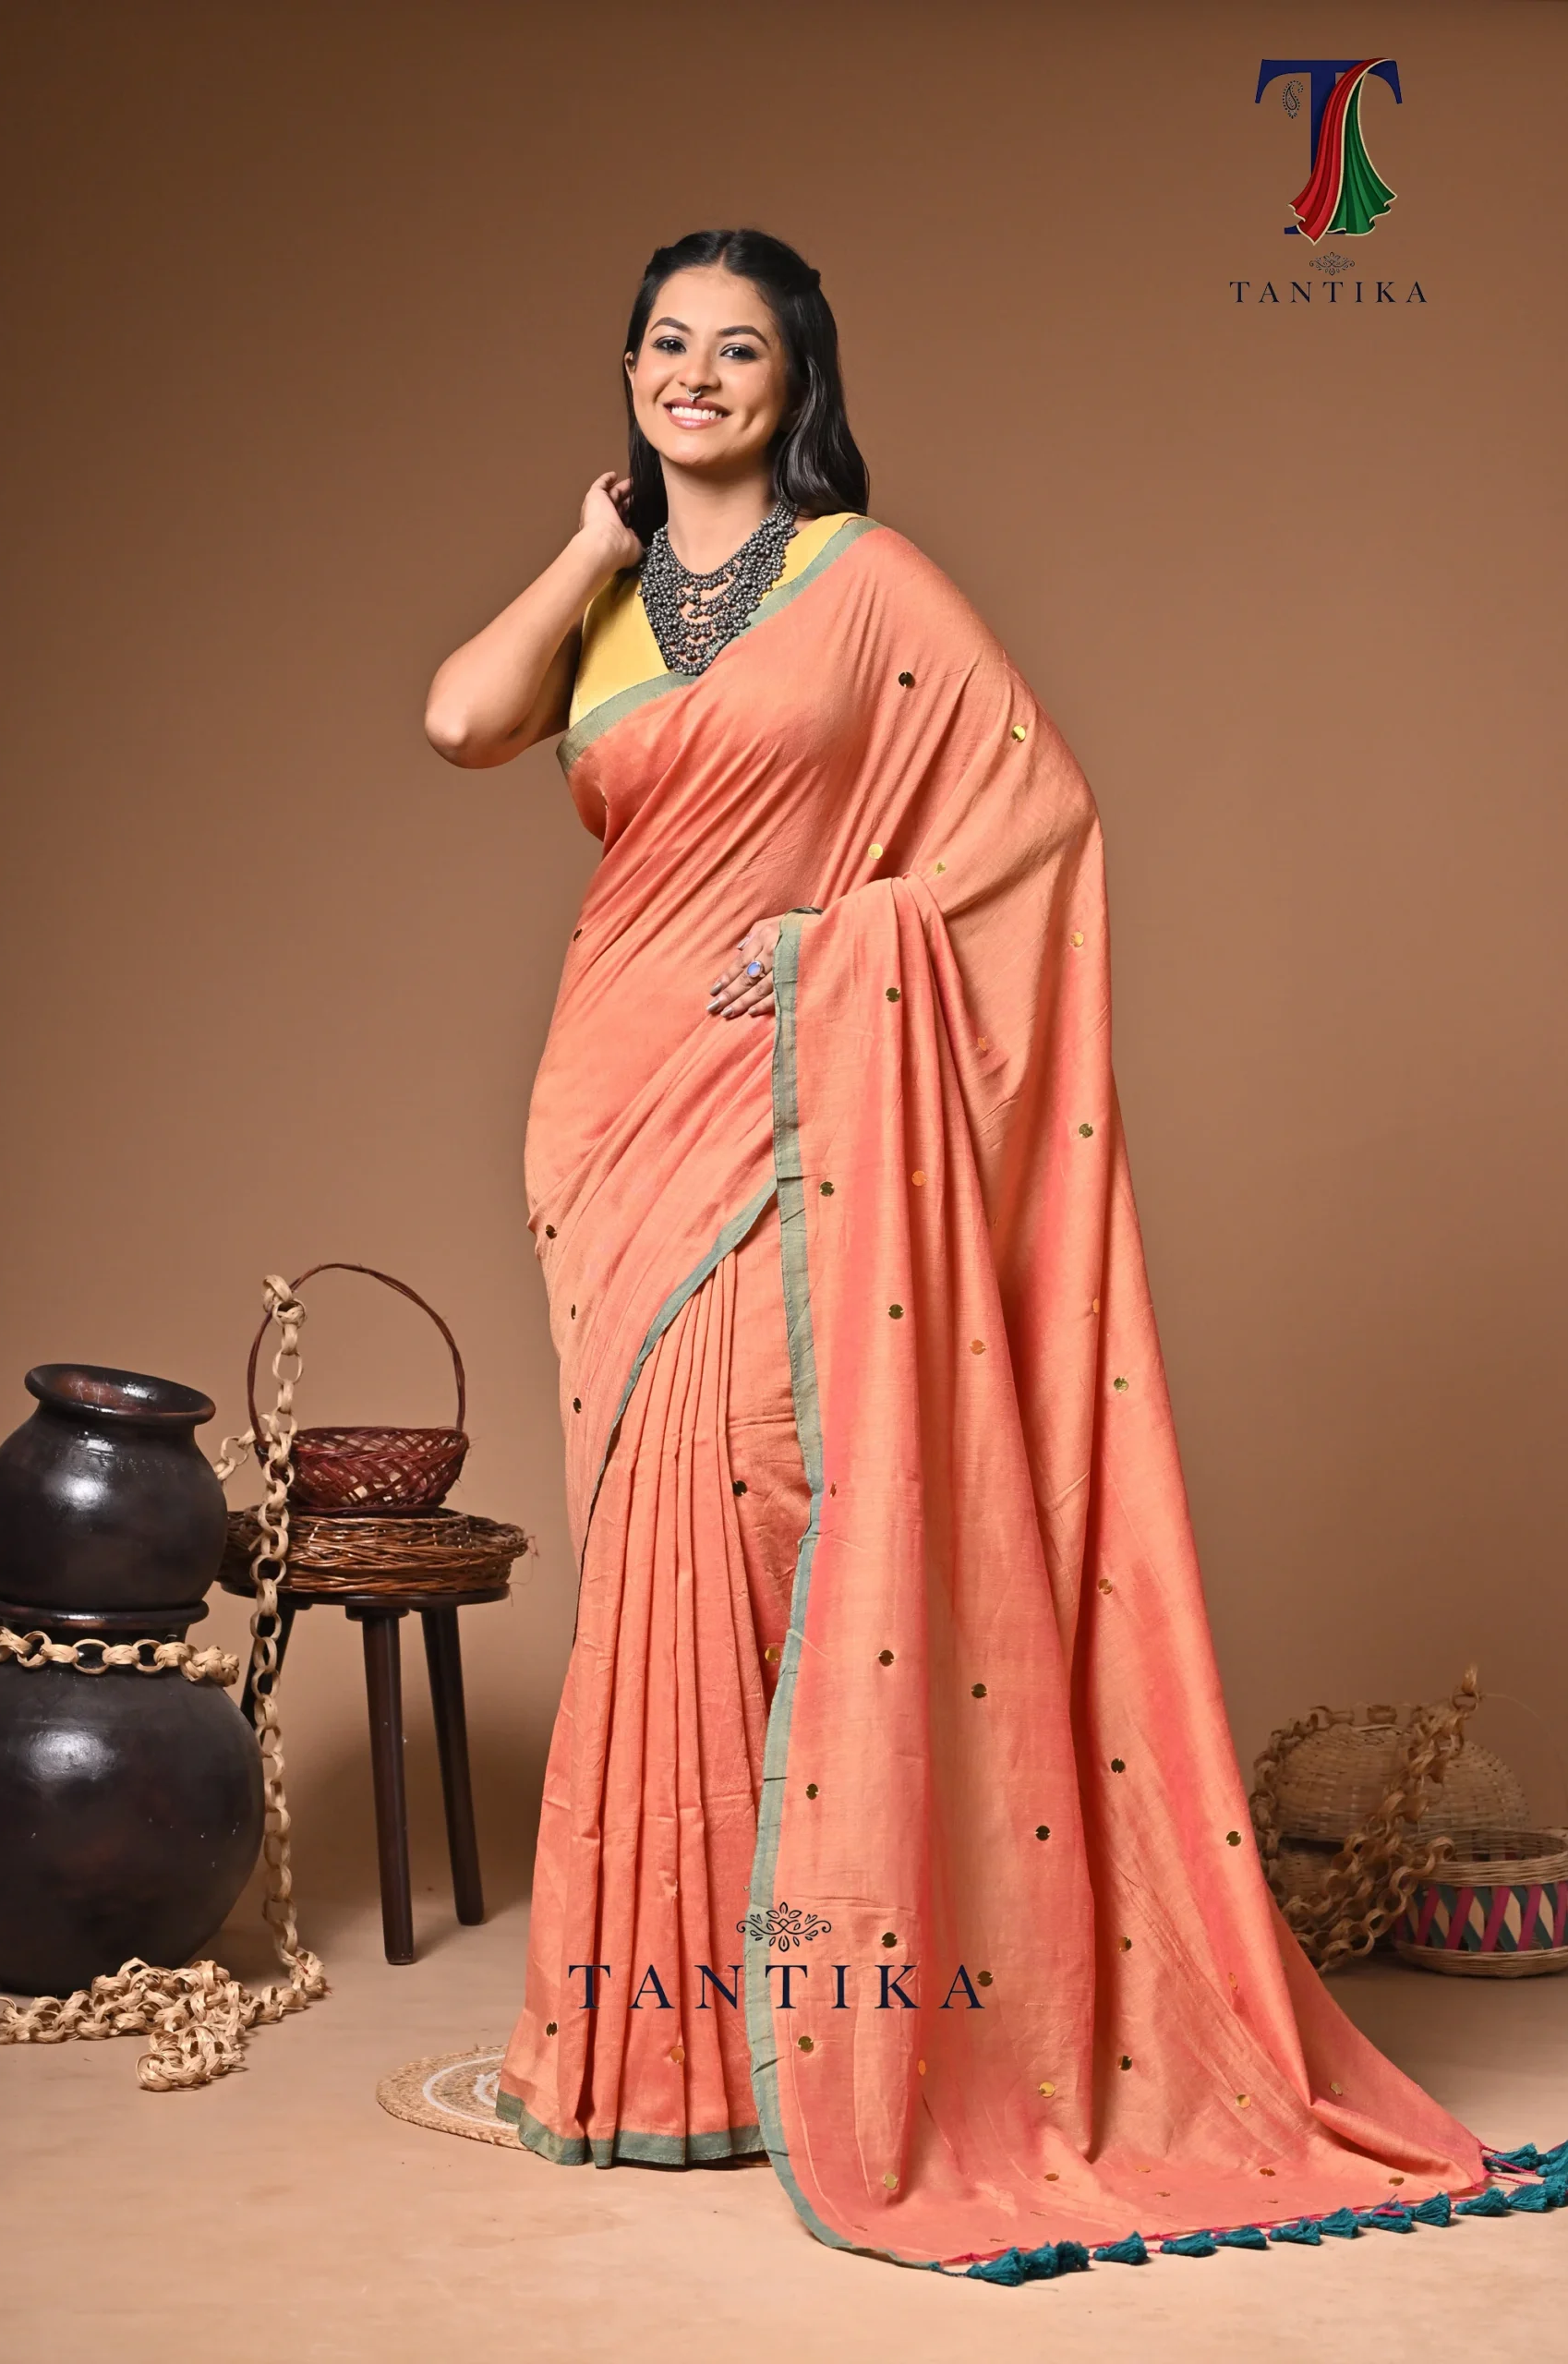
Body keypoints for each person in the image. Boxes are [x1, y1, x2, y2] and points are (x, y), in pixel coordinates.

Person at [425, 229, 1486, 2271]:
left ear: (796, 379)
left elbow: (1034, 823)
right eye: (665, 344)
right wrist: (586, 545)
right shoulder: (611, 602)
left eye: (738, 349)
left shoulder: (868, 582)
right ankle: (667, 2052)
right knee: (647, 1535)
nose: (696, 373)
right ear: (629, 374)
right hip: (612, 1109)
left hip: (786, 1091)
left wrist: (844, 948)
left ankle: (818, 2023)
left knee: (762, 1505)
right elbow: (462, 716)